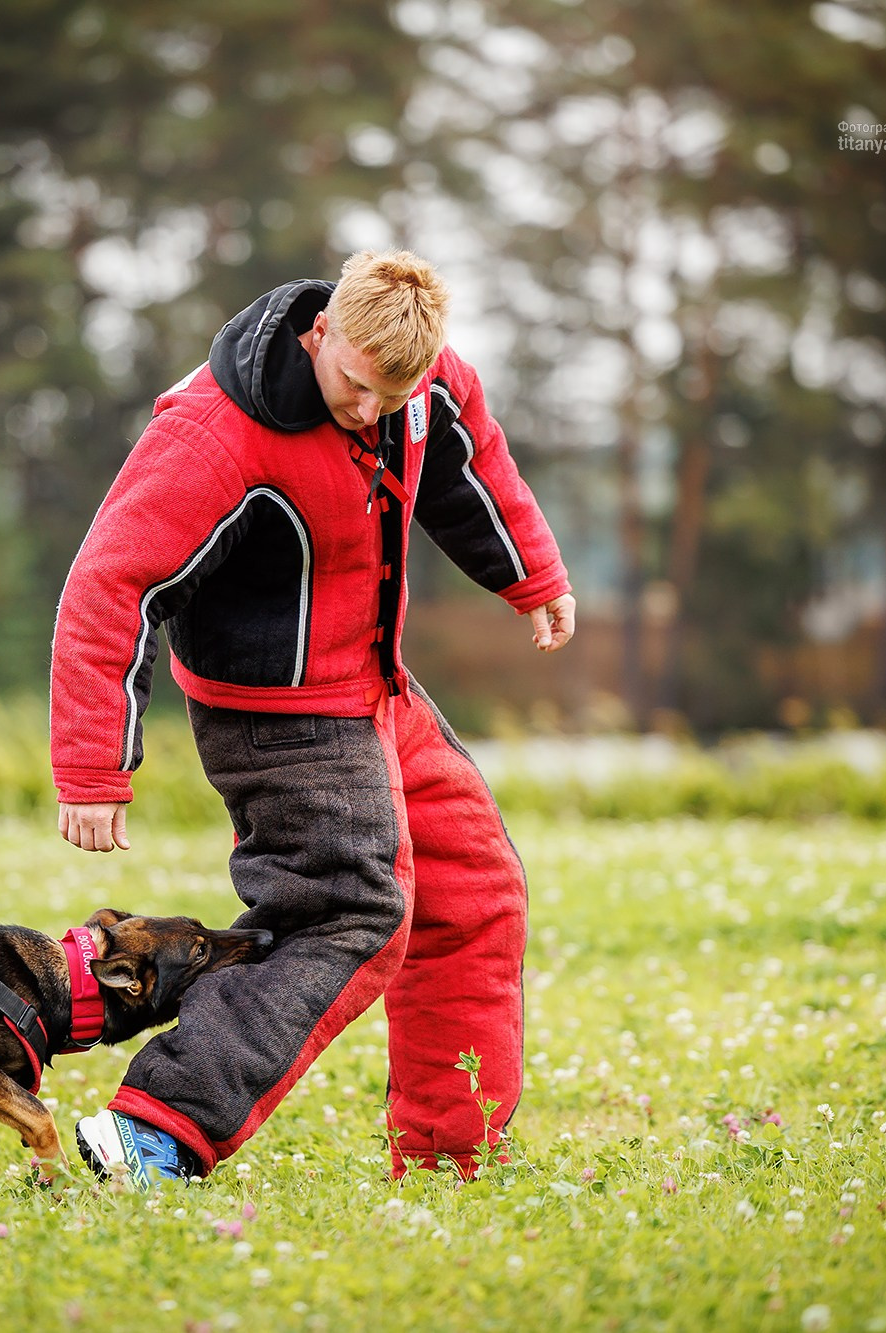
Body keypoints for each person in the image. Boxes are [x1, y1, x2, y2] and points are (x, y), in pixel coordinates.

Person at [50, 250, 575, 1187]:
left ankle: (452, 1159)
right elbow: (110, 585)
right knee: (348, 909)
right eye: (355, 386)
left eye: (394, 395)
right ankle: (153, 1132)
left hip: (375, 688)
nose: (370, 411)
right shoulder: (212, 433)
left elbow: (468, 463)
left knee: (472, 887)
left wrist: (532, 574)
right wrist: (94, 767)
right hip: (278, 717)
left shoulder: (420, 383)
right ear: (321, 329)